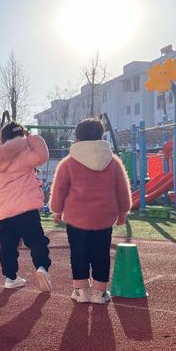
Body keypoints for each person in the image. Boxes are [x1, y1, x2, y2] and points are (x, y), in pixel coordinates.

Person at [50, 118, 132, 304]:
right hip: (104, 217)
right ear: (100, 136)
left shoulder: (68, 163)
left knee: (78, 253)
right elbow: (122, 189)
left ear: (77, 137)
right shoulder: (113, 161)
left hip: (76, 217)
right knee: (101, 253)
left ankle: (81, 291)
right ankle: (100, 292)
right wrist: (123, 211)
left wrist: (57, 210)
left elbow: (59, 189)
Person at [0, 122, 52, 292]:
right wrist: (31, 137)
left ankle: (10, 277)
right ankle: (41, 267)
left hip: (4, 212)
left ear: (2, 137)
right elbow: (42, 155)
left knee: (7, 246)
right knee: (36, 240)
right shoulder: (24, 155)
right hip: (26, 208)